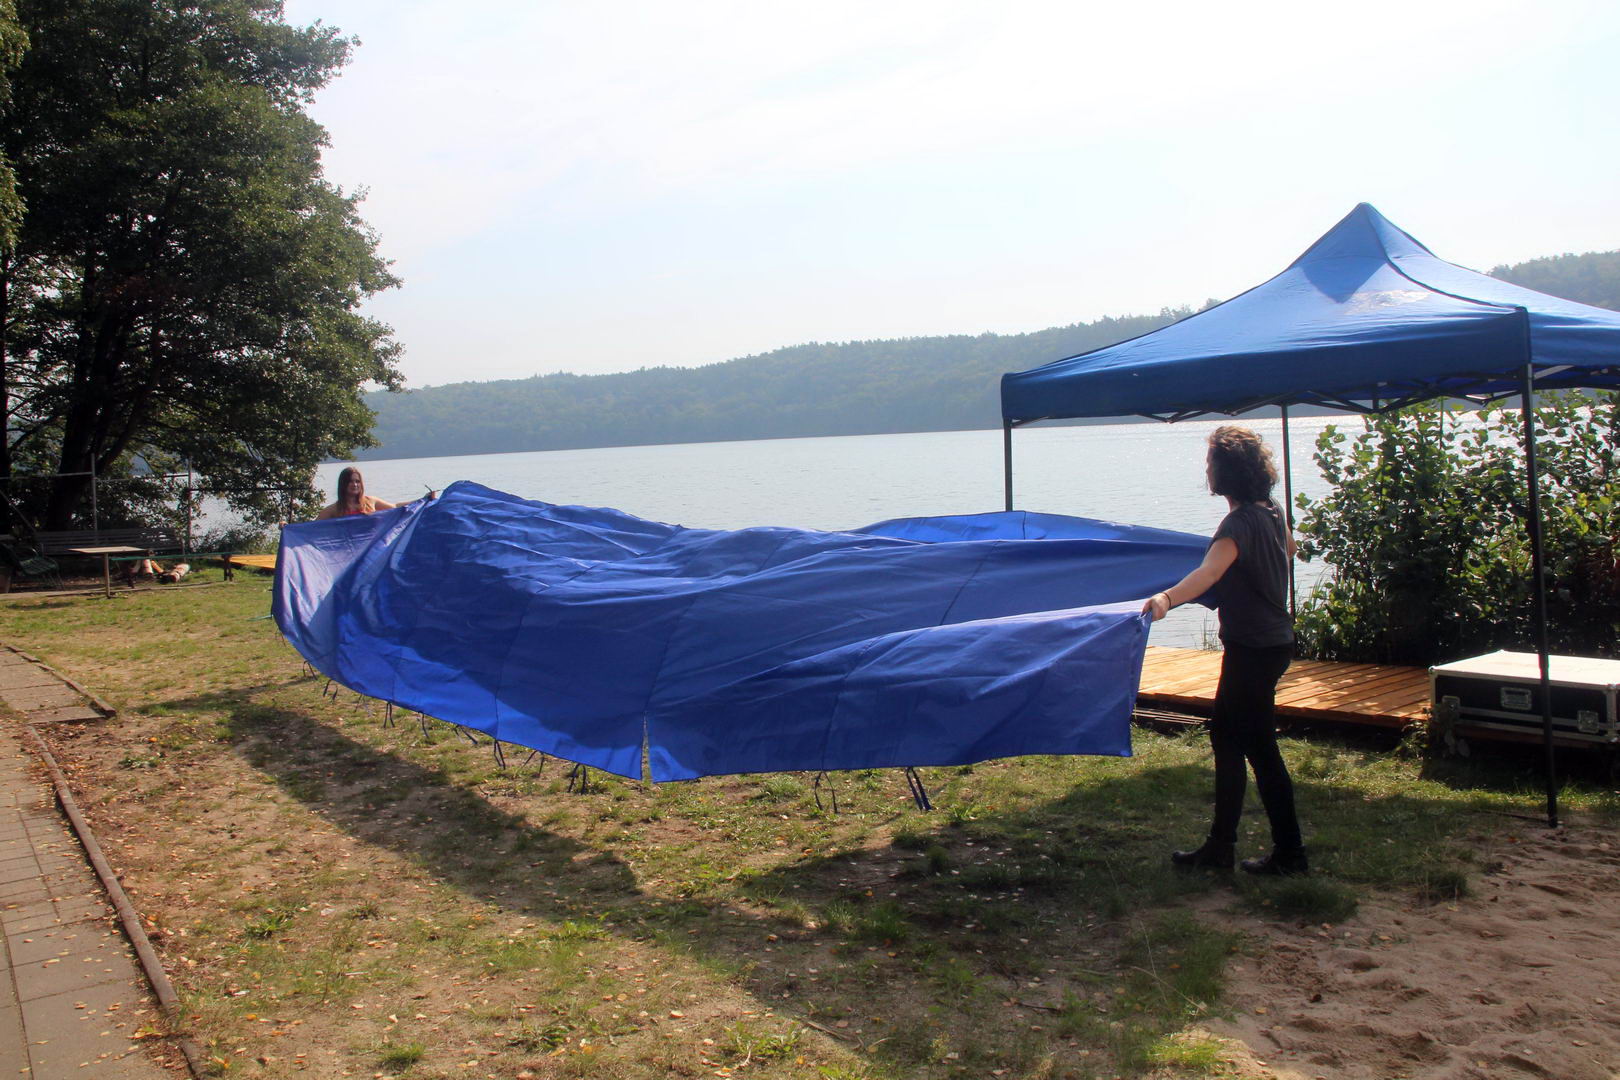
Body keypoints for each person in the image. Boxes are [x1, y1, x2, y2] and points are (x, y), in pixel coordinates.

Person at [1141, 425, 1307, 876]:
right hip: (1272, 643)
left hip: (1253, 648)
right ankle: (1221, 847)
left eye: (1211, 462)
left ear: (1225, 472)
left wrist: (1167, 599)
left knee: (1259, 748)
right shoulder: (1271, 510)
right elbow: (1290, 549)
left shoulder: (1235, 525)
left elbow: (1208, 574)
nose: (1207, 469)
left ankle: (1290, 854)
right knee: (1228, 738)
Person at [316, 466, 401, 520]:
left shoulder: (371, 501)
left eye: (357, 481)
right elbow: (313, 528)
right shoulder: (334, 509)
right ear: (343, 484)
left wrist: (410, 504)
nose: (355, 484)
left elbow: (395, 507)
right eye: (350, 481)